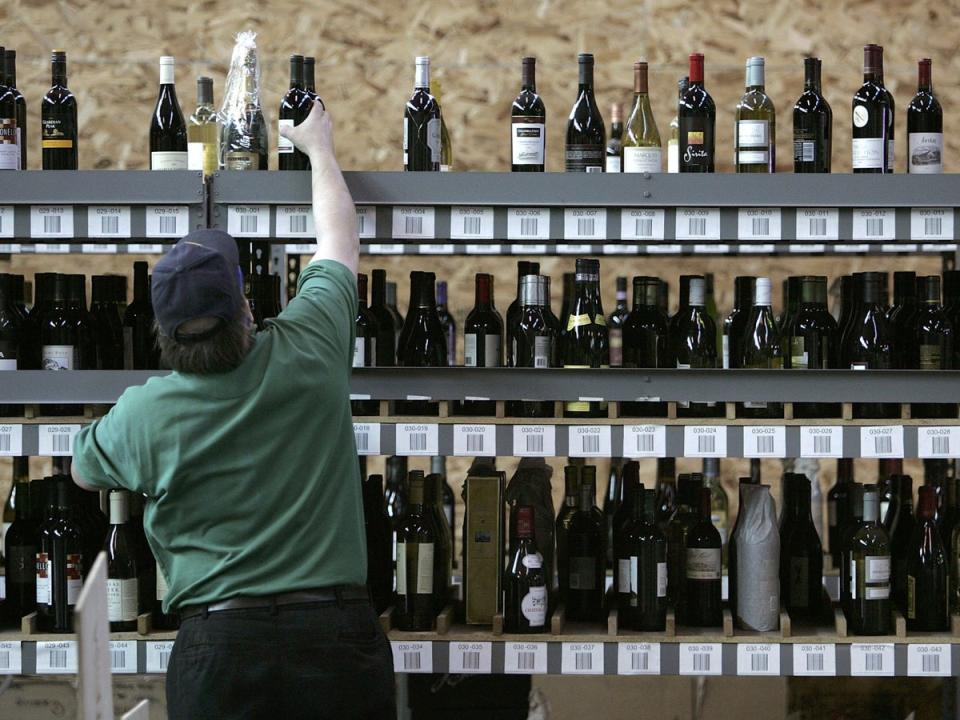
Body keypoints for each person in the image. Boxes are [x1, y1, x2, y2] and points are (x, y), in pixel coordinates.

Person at [71, 100, 396, 719]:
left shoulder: (146, 415)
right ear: (246, 309)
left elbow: (85, 474)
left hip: (218, 647)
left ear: (163, 337)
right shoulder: (309, 344)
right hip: (334, 638)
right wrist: (318, 148)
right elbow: (340, 239)